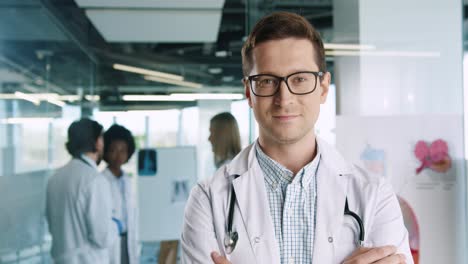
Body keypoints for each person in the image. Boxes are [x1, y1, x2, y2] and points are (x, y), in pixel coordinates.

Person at [181, 11, 413, 264]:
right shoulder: (208, 198)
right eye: (268, 81)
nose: (285, 98)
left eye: (300, 79)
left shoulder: (374, 195)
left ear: (323, 88)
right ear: (249, 92)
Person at [46, 118, 119, 264]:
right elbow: (102, 237)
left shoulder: (55, 178)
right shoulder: (94, 180)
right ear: (97, 142)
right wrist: (116, 226)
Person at [102, 124, 139, 264]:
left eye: (123, 150)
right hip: (110, 241)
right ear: (105, 152)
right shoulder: (100, 181)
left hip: (128, 239)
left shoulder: (128, 180)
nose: (118, 155)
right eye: (113, 150)